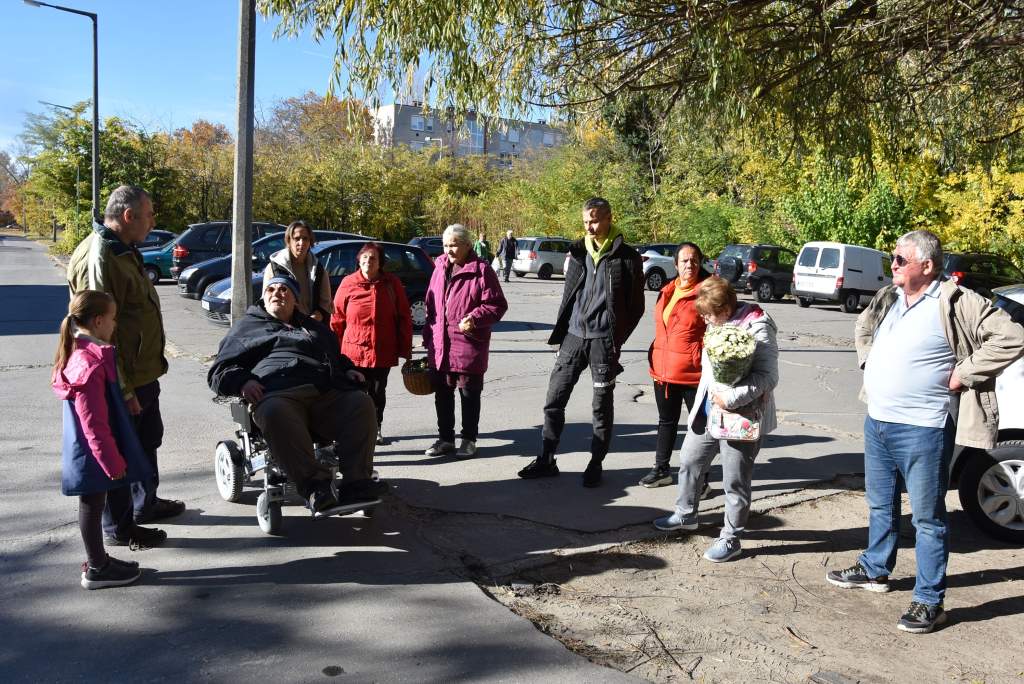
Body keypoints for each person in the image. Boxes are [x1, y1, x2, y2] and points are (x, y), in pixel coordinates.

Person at [826, 229, 1024, 634]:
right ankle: (875, 568)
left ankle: (930, 601)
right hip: (878, 420)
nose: (893, 265)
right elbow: (863, 327)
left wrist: (965, 373)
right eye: (893, 258)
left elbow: (1012, 336)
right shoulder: (890, 297)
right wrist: (869, 360)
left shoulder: (955, 300)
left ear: (928, 265)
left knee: (928, 519)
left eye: (900, 259)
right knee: (880, 504)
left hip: (924, 427)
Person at [208, 275, 387, 514]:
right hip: (278, 393)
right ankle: (316, 487)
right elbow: (219, 371)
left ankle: (357, 483)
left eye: (284, 290)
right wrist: (243, 381)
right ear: (264, 297)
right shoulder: (247, 328)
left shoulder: (313, 328)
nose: (277, 293)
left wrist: (348, 369)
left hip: (324, 391)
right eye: (271, 289)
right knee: (273, 411)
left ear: (296, 300)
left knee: (360, 403)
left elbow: (336, 357)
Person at [67, 185, 179, 550]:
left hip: (141, 371)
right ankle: (119, 527)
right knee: (119, 450)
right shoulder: (100, 256)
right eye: (149, 215)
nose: (153, 222)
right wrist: (124, 388)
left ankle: (145, 504)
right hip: (121, 378)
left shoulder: (122, 248)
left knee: (146, 440)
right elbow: (96, 332)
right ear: (128, 216)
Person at [518, 197, 645, 487]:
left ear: (609, 218)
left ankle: (595, 462)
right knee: (554, 399)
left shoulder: (627, 257)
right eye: (586, 221)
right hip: (574, 338)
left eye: (595, 221)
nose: (589, 226)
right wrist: (564, 332)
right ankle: (547, 458)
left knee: (601, 407)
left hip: (603, 342)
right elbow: (569, 295)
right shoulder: (577, 251)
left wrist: (615, 339)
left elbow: (636, 307)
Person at [652, 277, 778, 562]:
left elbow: (768, 377)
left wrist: (730, 398)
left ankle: (731, 538)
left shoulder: (758, 326)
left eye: (708, 314)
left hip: (741, 416)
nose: (705, 320)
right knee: (689, 460)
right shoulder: (717, 322)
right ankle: (686, 514)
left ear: (726, 308)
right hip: (709, 411)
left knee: (735, 480)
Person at [53, 291, 152, 589]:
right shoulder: (89, 364)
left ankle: (99, 560)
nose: (114, 324)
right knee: (92, 505)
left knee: (93, 504)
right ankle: (97, 568)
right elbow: (93, 423)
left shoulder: (84, 353)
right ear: (98, 321)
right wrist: (111, 462)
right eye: (112, 318)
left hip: (90, 451)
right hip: (93, 454)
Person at [422, 223, 508, 458]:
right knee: (442, 393)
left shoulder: (482, 270)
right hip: (440, 343)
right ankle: (445, 439)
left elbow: (497, 305)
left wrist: (475, 318)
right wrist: (428, 336)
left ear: (468, 245)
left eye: (454, 245)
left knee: (469, 394)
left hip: (468, 342)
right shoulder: (439, 267)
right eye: (445, 245)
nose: (448, 250)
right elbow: (431, 304)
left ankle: (469, 440)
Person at [642, 242, 711, 489]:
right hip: (664, 370)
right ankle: (662, 469)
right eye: (684, 260)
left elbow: (720, 327)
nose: (689, 264)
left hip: (694, 374)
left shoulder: (708, 292)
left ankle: (701, 480)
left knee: (700, 429)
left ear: (700, 262)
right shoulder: (667, 290)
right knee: (666, 421)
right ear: (676, 264)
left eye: (694, 260)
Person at [331, 242, 413, 446]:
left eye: (373, 257)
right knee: (354, 394)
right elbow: (337, 319)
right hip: (353, 352)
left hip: (382, 350)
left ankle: (375, 427)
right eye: (365, 257)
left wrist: (405, 348)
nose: (369, 261)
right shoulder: (348, 283)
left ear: (380, 262)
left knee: (377, 392)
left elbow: (404, 316)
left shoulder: (392, 283)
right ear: (359, 260)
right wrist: (334, 352)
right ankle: (355, 429)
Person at [262, 220, 333, 322]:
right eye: (297, 238)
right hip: (283, 325)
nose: (301, 243)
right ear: (289, 241)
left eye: (305, 239)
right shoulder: (274, 267)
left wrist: (317, 316)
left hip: (311, 325)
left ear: (310, 242)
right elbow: (266, 302)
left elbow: (326, 304)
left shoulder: (318, 269)